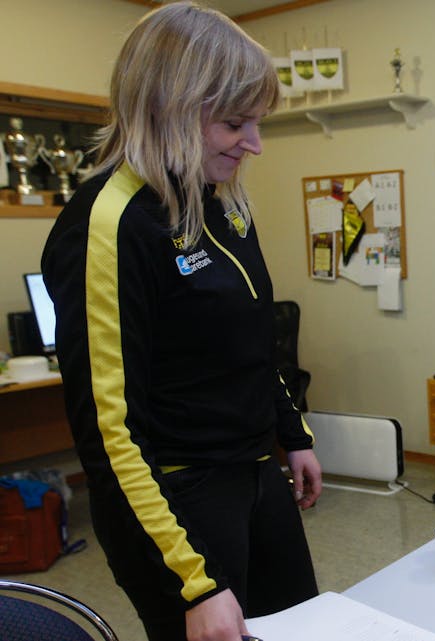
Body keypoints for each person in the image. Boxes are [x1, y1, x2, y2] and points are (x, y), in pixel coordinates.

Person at [40, 3, 320, 640]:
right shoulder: (108, 224)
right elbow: (109, 433)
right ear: (169, 106)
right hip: (175, 501)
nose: (255, 144)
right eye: (234, 123)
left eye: (257, 121)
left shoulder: (218, 202)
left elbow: (253, 341)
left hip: (252, 471)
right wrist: (196, 581)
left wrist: (291, 431)